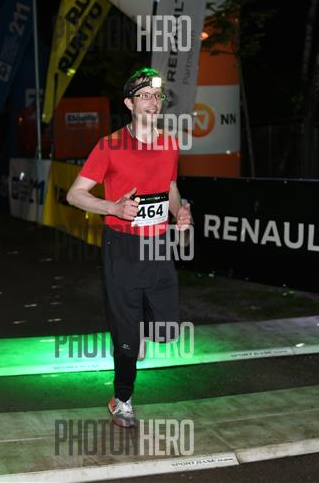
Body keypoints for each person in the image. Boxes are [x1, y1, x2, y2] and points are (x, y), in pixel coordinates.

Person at [67, 67, 192, 428]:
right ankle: (122, 398)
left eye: (157, 96)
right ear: (129, 104)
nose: (153, 102)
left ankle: (137, 336)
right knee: (127, 334)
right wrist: (113, 207)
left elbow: (170, 187)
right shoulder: (109, 146)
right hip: (122, 246)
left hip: (158, 246)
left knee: (166, 330)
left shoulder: (170, 144)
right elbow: (75, 194)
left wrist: (180, 213)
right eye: (144, 96)